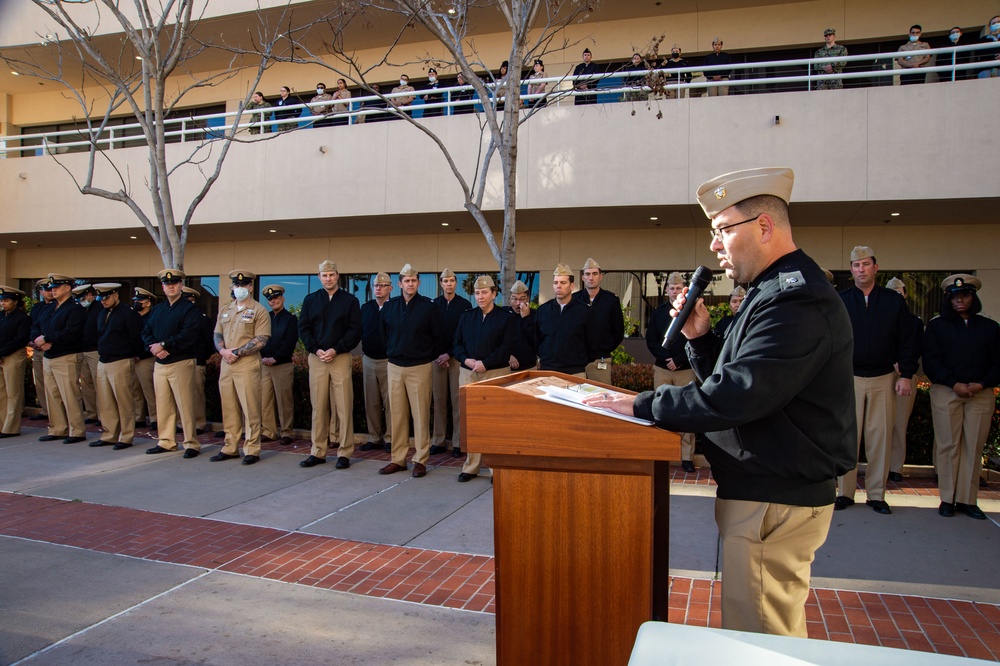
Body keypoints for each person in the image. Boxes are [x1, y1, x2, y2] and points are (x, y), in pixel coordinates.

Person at [584, 166, 855, 638]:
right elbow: (742, 384)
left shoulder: (796, 300)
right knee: (759, 631)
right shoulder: (770, 292)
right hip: (762, 493)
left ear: (764, 227)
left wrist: (639, 406)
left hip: (774, 499)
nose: (714, 246)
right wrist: (703, 340)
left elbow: (738, 395)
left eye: (722, 231)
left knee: (761, 641)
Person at [836, 246, 918, 515]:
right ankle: (845, 493)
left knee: (880, 438)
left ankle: (876, 495)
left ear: (875, 268)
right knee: (848, 437)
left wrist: (906, 374)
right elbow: (831, 340)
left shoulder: (893, 302)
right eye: (856, 265)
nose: (861, 269)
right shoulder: (842, 300)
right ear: (851, 270)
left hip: (884, 377)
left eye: (866, 264)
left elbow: (908, 340)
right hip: (850, 378)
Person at [923, 275, 1000, 519]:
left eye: (964, 295)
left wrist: (982, 383)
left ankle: (968, 500)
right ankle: (947, 498)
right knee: (948, 446)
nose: (959, 300)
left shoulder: (990, 327)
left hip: (981, 393)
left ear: (972, 297)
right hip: (947, 392)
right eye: (955, 297)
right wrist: (953, 383)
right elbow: (931, 361)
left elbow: (998, 362)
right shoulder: (937, 326)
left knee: (973, 447)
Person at [379, 263, 444, 477]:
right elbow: (383, 335)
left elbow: (437, 336)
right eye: (406, 281)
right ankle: (398, 459)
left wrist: (424, 353)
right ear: (399, 284)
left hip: (420, 366)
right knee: (396, 415)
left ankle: (420, 460)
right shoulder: (389, 307)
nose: (410, 284)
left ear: (418, 282)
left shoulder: (429, 307)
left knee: (420, 414)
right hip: (395, 366)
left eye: (413, 280)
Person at [298, 261, 363, 469]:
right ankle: (317, 451)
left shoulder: (350, 301)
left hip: (340, 357)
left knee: (344, 406)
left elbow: (354, 330)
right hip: (317, 358)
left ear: (337, 276)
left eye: (332, 275)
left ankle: (344, 452)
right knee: (318, 407)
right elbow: (304, 329)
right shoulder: (310, 300)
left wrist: (336, 349)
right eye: (324, 275)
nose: (328, 278)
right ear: (319, 277)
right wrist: (316, 349)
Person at [453, 275, 517, 482]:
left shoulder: (505, 318)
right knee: (471, 421)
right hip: (469, 372)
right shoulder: (466, 317)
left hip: (495, 373)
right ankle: (471, 466)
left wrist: (486, 363)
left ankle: (495, 468)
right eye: (477, 293)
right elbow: (457, 344)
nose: (480, 296)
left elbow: (507, 347)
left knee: (496, 422)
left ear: (494, 294)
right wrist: (466, 360)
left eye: (485, 292)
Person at [141, 268, 204, 458]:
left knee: (185, 404)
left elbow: (189, 334)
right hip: (160, 363)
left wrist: (164, 345)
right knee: (163, 404)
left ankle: (191, 443)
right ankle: (166, 441)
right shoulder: (158, 309)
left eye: (174, 283)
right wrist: (153, 347)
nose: (171, 286)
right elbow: (146, 331)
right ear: (162, 286)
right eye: (167, 284)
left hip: (181, 361)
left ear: (181, 285)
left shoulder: (189, 309)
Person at [211, 271, 270, 465]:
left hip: (246, 364)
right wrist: (222, 351)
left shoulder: (259, 310)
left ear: (251, 287)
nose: (240, 289)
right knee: (229, 407)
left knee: (250, 407)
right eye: (237, 285)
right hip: (226, 364)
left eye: (244, 285)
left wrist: (237, 352)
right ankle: (230, 446)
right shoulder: (226, 309)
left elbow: (261, 339)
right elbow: (217, 333)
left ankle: (252, 448)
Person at [646, 272, 699, 473]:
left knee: (686, 413)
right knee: (661, 411)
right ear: (666, 290)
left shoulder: (692, 311)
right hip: (662, 368)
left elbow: (695, 341)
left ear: (683, 289)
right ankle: (662, 454)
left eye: (678, 288)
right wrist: (666, 358)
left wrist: (678, 360)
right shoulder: (659, 312)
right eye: (671, 288)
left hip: (685, 369)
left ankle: (686, 458)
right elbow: (651, 340)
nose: (675, 291)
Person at [88, 283, 142, 450]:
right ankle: (109, 434)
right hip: (104, 360)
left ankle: (126, 436)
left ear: (116, 295)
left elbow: (135, 336)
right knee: (105, 401)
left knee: (124, 400)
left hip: (121, 360)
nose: (103, 301)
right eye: (101, 298)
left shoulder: (128, 313)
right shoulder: (102, 313)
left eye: (107, 297)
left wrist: (134, 354)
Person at [35, 274, 87, 444]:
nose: (53, 290)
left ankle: (76, 431)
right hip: (49, 356)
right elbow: (36, 326)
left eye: (56, 287)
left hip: (66, 356)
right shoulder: (49, 308)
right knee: (52, 395)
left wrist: (48, 339)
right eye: (51, 288)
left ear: (68, 288)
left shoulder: (75, 309)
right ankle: (58, 428)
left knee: (70, 395)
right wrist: (40, 341)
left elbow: (71, 332)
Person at [884, 277, 922, 482]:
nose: (897, 296)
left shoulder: (914, 321)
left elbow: (915, 347)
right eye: (893, 293)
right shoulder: (882, 317)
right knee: (880, 425)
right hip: (882, 374)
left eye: (900, 292)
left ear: (905, 295)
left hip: (905, 375)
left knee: (899, 423)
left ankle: (895, 467)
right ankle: (880, 466)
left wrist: (905, 367)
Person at [432, 269, 471, 455]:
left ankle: (457, 443)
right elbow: (430, 332)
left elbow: (462, 334)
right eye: (445, 281)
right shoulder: (433, 305)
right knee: (438, 401)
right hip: (437, 359)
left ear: (456, 283)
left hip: (455, 359)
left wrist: (449, 354)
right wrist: (440, 354)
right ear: (440, 283)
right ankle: (438, 441)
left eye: (451, 280)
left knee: (457, 402)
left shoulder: (464, 305)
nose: (448, 284)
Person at [535, 264, 593, 376]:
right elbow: (537, 340)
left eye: (563, 282)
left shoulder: (584, 311)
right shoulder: (543, 311)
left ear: (572, 286)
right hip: (547, 370)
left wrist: (579, 359)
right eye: (555, 283)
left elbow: (592, 342)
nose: (558, 286)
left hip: (575, 372)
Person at [573, 257, 624, 385]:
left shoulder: (611, 300)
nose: (591, 277)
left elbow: (618, 331)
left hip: (600, 360)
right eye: (588, 274)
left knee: (602, 397)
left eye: (595, 274)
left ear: (600, 276)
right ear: (583, 277)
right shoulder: (574, 299)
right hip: (576, 361)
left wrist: (604, 348)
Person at [359, 273, 393, 453]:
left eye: (382, 285)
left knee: (391, 402)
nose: (378, 288)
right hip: (369, 360)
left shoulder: (395, 307)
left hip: (389, 361)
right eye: (376, 285)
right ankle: (374, 437)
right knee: (371, 401)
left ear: (390, 288)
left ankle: (390, 438)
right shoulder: (366, 308)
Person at [260, 284, 298, 446]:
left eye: (276, 298)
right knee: (265, 400)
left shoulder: (290, 319)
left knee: (284, 401)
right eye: (270, 299)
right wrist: (263, 357)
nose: (273, 301)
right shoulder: (265, 318)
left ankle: (286, 432)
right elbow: (260, 339)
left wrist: (275, 358)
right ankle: (269, 431)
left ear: (282, 298)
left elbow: (289, 342)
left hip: (281, 364)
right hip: (264, 365)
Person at [182, 286, 214, 436]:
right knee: (181, 394)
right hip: (180, 361)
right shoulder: (179, 318)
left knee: (196, 394)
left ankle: (199, 423)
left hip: (196, 360)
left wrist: (202, 357)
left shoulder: (202, 319)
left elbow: (209, 342)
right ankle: (180, 423)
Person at [0, 286, 30, 438]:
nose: (3, 303)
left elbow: (20, 339)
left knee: (13, 392)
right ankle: (2, 424)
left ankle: (11, 428)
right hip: (1, 355)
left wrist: (2, 351)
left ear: (15, 301)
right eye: (1, 301)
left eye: (6, 300)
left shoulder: (21, 318)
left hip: (13, 355)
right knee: (2, 393)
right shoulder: (2, 316)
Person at [72, 283, 101, 424]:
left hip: (95, 350)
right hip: (81, 349)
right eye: (77, 298)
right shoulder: (78, 310)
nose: (79, 301)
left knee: (99, 384)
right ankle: (91, 413)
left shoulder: (99, 308)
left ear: (90, 295)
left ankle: (103, 415)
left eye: (81, 297)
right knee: (86, 384)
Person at [131, 287, 158, 432]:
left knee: (149, 391)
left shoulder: (152, 318)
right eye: (136, 301)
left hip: (145, 358)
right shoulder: (134, 317)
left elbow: (150, 339)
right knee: (135, 390)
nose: (137, 303)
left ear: (148, 303)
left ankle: (155, 418)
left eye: (140, 301)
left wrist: (140, 354)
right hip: (133, 358)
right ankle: (139, 417)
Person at [29, 279, 54, 422]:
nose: (49, 292)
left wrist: (45, 341)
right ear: (40, 292)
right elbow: (33, 325)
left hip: (50, 348)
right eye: (46, 289)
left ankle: (56, 410)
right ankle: (45, 410)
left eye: (51, 289)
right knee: (40, 381)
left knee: (53, 383)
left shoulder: (57, 307)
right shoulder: (37, 308)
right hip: (37, 349)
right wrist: (34, 340)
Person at [506, 279, 537, 375]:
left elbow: (536, 339)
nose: (518, 303)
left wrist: (526, 318)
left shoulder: (535, 315)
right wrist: (508, 356)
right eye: (514, 299)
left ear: (528, 298)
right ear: (510, 299)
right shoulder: (503, 315)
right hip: (506, 368)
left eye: (522, 299)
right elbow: (495, 340)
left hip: (530, 367)